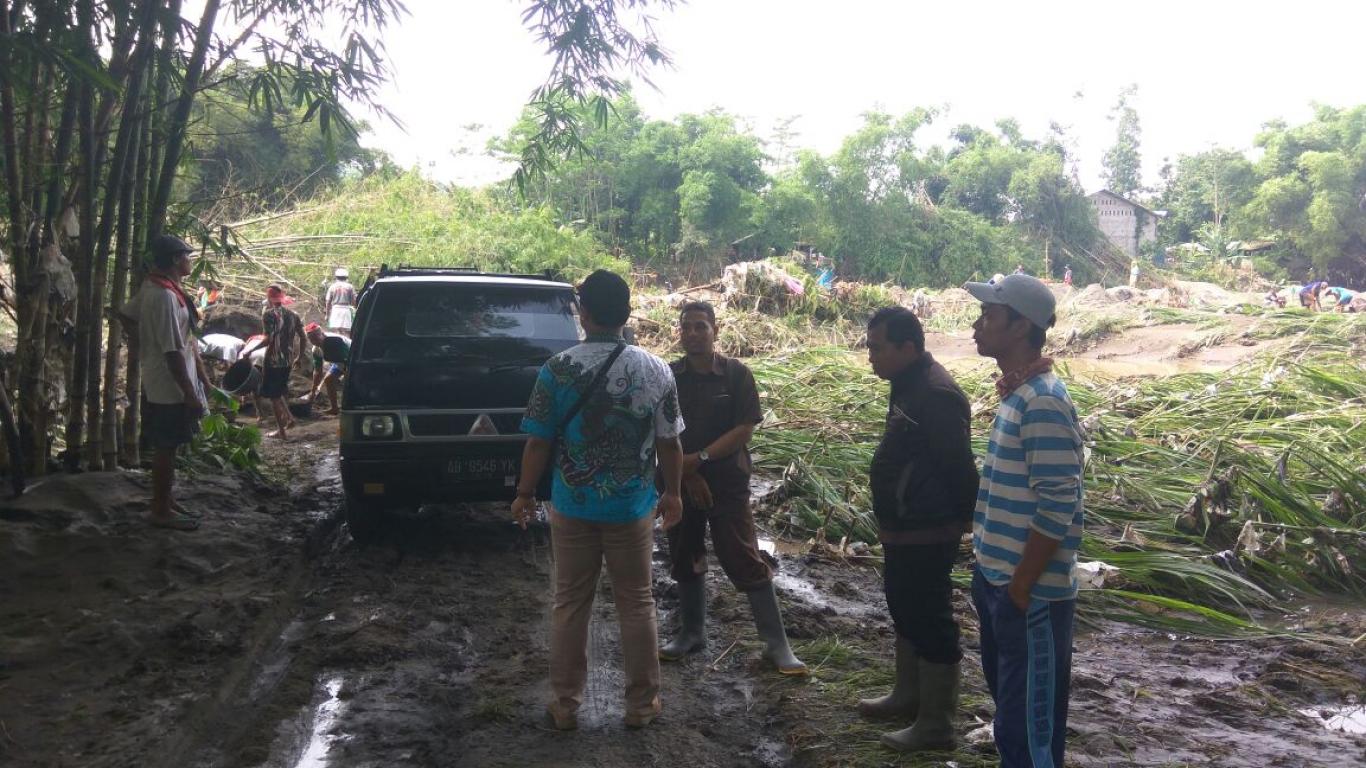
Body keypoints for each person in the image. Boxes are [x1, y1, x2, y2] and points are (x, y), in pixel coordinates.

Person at [512, 269, 685, 731]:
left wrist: (525, 494)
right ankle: (642, 707)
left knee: (570, 603)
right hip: (632, 508)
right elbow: (670, 442)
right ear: (626, 313)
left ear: (583, 313)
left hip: (572, 506)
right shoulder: (656, 369)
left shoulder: (558, 369)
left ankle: (565, 706)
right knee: (637, 602)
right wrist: (673, 493)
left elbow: (538, 443)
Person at [962, 274, 1084, 768]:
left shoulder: (1044, 402)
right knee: (1012, 715)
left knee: (1028, 728)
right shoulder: (1018, 395)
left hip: (1027, 593)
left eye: (989, 316)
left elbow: (1059, 504)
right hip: (999, 581)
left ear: (1020, 326)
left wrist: (1021, 585)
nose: (977, 325)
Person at [657, 301, 806, 676]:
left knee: (741, 555)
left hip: (728, 483)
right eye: (686, 327)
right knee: (684, 554)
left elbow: (744, 429)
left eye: (700, 327)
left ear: (715, 331)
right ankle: (692, 633)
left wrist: (700, 459)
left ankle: (777, 645)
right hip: (679, 483)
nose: (692, 333)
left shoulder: (737, 375)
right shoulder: (668, 377)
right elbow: (661, 432)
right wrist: (686, 474)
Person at [858, 306, 980, 752]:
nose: (870, 356)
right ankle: (907, 695)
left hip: (928, 527)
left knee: (930, 617)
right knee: (903, 605)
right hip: (905, 525)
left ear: (907, 348)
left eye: (876, 347)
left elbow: (959, 466)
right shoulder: (906, 383)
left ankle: (935, 724)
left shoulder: (937, 394)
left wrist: (961, 520)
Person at [136, 235, 210, 531]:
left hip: (166, 381)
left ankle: (164, 501)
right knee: (166, 448)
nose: (190, 260)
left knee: (171, 446)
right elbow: (172, 351)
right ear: (176, 260)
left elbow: (127, 314)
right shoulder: (163, 295)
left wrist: (144, 343)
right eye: (187, 256)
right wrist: (189, 393)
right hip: (169, 387)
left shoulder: (158, 287)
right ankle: (160, 510)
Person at [260, 284, 306, 439]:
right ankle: (290, 419)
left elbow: (268, 340)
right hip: (288, 359)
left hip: (273, 360)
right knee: (279, 391)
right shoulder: (294, 314)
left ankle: (281, 431)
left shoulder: (268, 314)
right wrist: (299, 356)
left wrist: (250, 350)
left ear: (269, 298)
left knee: (273, 396)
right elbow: (303, 336)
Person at [304, 322, 348, 415]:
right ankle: (334, 408)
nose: (315, 340)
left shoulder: (335, 341)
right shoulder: (316, 350)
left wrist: (346, 374)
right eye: (311, 338)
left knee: (349, 383)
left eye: (316, 336)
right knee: (328, 380)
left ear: (322, 333)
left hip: (351, 358)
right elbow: (317, 371)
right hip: (338, 362)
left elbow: (348, 358)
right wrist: (313, 391)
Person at [325, 268, 357, 335]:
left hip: (336, 310)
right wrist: (354, 309)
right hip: (346, 309)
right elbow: (354, 300)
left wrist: (327, 314)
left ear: (336, 277)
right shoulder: (350, 287)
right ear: (346, 277)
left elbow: (328, 301)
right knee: (346, 331)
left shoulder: (332, 287)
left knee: (337, 331)